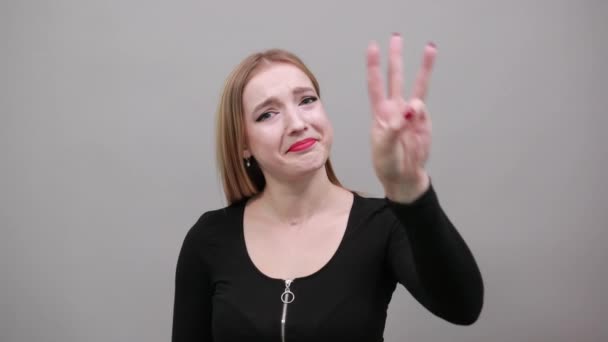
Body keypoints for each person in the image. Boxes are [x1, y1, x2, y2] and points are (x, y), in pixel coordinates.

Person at [171, 33, 484, 342]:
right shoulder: (210, 238)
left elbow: (463, 307)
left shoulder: (382, 224)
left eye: (307, 100)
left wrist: (409, 188)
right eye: (268, 113)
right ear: (243, 144)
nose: (297, 123)